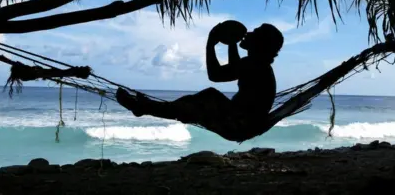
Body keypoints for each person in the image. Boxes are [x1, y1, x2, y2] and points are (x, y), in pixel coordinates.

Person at [116, 23, 284, 126]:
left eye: (255, 32)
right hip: (241, 120)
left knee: (208, 96)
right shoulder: (257, 64)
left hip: (238, 123)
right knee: (198, 103)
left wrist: (211, 43)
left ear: (261, 43)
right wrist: (231, 41)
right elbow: (234, 67)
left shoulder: (254, 65)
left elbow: (216, 75)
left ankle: (145, 108)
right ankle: (148, 107)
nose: (248, 33)